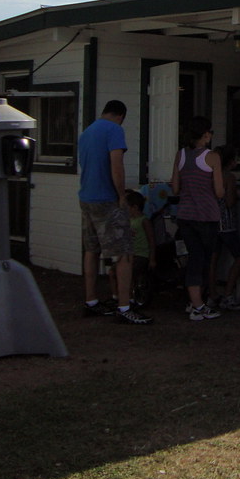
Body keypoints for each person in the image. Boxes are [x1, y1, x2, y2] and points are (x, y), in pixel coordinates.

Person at [79, 100, 152, 324]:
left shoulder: (87, 131)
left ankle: (91, 301)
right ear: (121, 115)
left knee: (91, 250)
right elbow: (116, 165)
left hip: (86, 197)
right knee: (124, 253)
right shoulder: (114, 130)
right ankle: (124, 306)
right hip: (106, 198)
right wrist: (122, 195)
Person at [171, 116, 224, 321]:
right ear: (205, 134)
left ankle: (193, 301)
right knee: (202, 260)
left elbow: (175, 187)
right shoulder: (212, 157)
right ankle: (199, 305)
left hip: (185, 214)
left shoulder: (181, 155)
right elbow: (219, 192)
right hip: (207, 214)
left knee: (193, 257)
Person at [211, 144, 240, 311]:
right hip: (227, 223)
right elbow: (230, 201)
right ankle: (228, 294)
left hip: (211, 222)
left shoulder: (211, 176)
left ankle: (212, 294)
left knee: (213, 260)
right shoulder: (229, 177)